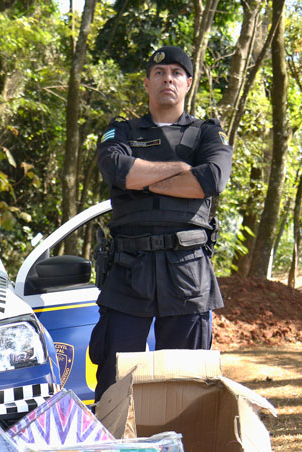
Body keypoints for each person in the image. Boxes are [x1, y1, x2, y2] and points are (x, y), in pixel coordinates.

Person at [91, 46, 232, 402]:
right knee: (114, 376)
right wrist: (181, 170)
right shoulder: (120, 131)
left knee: (188, 381)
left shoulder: (206, 135)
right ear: (147, 83)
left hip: (187, 270)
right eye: (159, 72)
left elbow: (212, 178)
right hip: (128, 270)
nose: (167, 78)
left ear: (187, 83)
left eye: (176, 72)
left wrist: (143, 178)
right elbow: (115, 168)